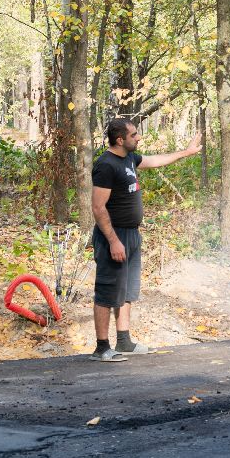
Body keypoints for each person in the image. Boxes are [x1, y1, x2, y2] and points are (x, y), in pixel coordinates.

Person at [88, 118, 201, 361]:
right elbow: (98, 208)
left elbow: (156, 161)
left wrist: (186, 152)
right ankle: (101, 348)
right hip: (113, 236)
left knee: (127, 291)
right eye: (134, 134)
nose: (138, 138)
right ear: (120, 139)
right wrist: (113, 241)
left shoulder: (129, 158)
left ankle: (124, 341)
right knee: (108, 292)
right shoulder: (106, 165)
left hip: (131, 234)